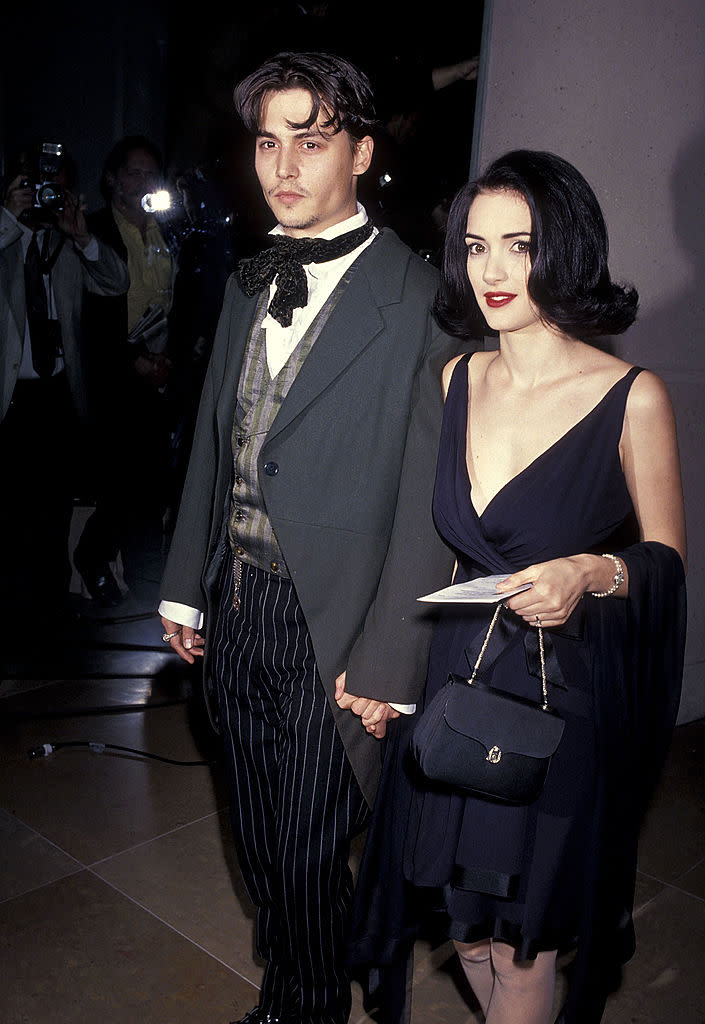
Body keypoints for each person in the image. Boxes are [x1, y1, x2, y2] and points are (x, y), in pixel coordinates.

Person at [349, 150, 687, 1024]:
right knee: (463, 931)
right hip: (451, 683)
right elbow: (419, 546)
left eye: (519, 245)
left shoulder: (630, 396)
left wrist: (587, 571)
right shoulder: (456, 378)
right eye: (473, 245)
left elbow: (664, 563)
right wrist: (382, 669)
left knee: (519, 943)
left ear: (564, 250)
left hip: (549, 697)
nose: (491, 271)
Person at [158, 51, 460, 1024]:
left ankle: (307, 1002)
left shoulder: (417, 299)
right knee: (257, 833)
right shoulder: (253, 277)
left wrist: (389, 656)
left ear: (363, 152)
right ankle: (305, 977)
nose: (284, 168)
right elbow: (218, 432)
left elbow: (429, 499)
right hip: (235, 597)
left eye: (314, 140)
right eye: (268, 141)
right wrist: (182, 586)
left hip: (336, 625)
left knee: (302, 843)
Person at [0, 145, 129, 632]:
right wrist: (10, 217)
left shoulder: (64, 243)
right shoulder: (7, 238)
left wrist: (82, 236)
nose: (43, 196)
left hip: (54, 396)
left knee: (52, 512)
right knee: (10, 514)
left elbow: (116, 282)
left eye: (54, 187)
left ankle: (48, 613)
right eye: (32, 185)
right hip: (8, 398)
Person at [74, 135, 176, 604]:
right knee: (122, 476)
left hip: (161, 367)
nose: (142, 182)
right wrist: (131, 359)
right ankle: (94, 555)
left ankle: (146, 576)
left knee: (153, 480)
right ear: (112, 178)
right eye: (133, 172)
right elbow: (90, 312)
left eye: (149, 173)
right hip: (115, 369)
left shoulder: (168, 231)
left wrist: (169, 358)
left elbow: (181, 298)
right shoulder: (90, 228)